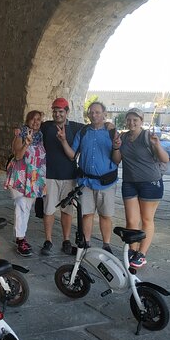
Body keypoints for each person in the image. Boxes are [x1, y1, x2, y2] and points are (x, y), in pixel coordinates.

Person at [57, 101, 120, 252]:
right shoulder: (83, 132)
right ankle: (87, 243)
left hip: (107, 182)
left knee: (105, 215)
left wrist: (117, 147)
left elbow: (117, 160)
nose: (94, 115)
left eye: (97, 112)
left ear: (104, 114)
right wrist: (63, 141)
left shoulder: (111, 132)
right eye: (91, 112)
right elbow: (73, 155)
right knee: (87, 214)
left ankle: (106, 244)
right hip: (86, 181)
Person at [114, 107, 169, 268]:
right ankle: (132, 250)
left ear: (141, 122)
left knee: (146, 219)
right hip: (130, 182)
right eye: (129, 119)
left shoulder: (147, 136)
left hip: (150, 183)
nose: (132, 122)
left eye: (135, 120)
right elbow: (117, 160)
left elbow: (165, 159)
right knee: (131, 220)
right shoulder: (123, 137)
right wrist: (116, 147)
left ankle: (142, 253)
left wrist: (157, 145)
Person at [38, 98, 85, 256]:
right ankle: (48, 240)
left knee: (67, 210)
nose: (57, 114)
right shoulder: (46, 127)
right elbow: (30, 125)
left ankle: (66, 239)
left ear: (67, 112)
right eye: (55, 111)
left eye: (61, 111)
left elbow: (95, 127)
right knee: (49, 209)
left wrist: (110, 126)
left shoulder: (76, 128)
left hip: (69, 176)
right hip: (49, 175)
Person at [4, 110, 46, 257]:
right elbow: (18, 155)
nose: (36, 122)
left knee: (26, 207)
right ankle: (20, 239)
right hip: (20, 176)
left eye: (38, 119)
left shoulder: (40, 136)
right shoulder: (20, 133)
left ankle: (21, 236)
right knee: (21, 205)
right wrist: (26, 144)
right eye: (33, 119)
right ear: (27, 120)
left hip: (33, 178)